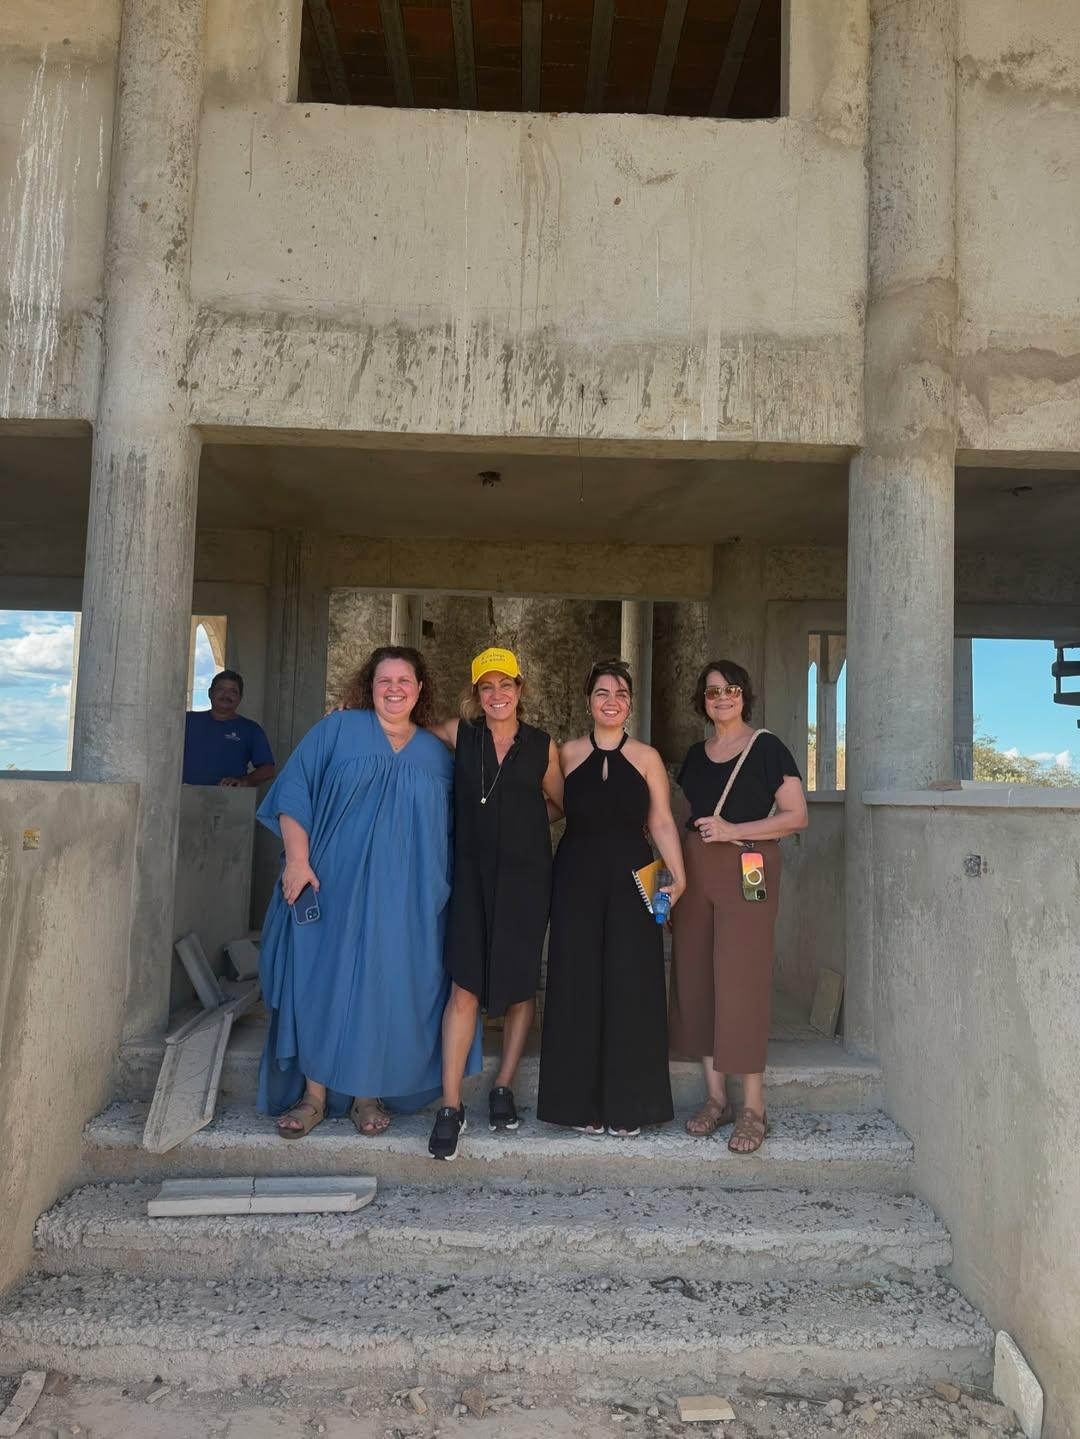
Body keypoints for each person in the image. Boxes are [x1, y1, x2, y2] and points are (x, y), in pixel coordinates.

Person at [255, 645, 479, 1138]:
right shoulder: (337, 729)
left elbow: (456, 828)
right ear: (369, 685)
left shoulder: (436, 755)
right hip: (331, 883)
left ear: (420, 690)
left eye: (404, 681)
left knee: (386, 985)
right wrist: (297, 859)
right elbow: (295, 790)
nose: (394, 689)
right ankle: (313, 1096)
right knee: (320, 980)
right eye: (385, 681)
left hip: (407, 899)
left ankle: (366, 1095)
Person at [537, 658, 684, 1138]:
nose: (612, 701)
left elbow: (660, 819)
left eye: (621, 694)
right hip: (575, 877)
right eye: (602, 692)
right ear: (588, 701)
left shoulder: (647, 757)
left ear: (630, 704)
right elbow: (552, 809)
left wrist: (677, 876)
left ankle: (631, 1106)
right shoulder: (565, 754)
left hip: (633, 878)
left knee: (632, 984)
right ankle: (578, 1104)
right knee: (575, 984)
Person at [427, 647, 564, 1161]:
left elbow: (558, 804)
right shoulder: (458, 734)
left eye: (506, 685)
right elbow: (398, 728)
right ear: (476, 694)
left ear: (520, 690)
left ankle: (503, 1084)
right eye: (487, 686)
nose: (497, 694)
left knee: (519, 982)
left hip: (528, 878)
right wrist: (346, 719)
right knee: (464, 984)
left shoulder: (543, 747)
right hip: (469, 877)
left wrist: (521, 828)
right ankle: (450, 1104)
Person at [668, 659, 808, 1154]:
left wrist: (733, 831)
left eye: (730, 690)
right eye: (711, 692)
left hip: (748, 868)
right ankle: (715, 1098)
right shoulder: (694, 753)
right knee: (696, 976)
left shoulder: (767, 747)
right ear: (701, 702)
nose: (721, 698)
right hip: (695, 872)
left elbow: (797, 816)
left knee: (742, 981)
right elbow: (681, 819)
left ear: (744, 695)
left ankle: (753, 1107)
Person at [182, 669, 276, 788]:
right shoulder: (186, 720)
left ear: (240, 697)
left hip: (230, 800)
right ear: (210, 693)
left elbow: (268, 769)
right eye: (221, 690)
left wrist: (244, 781)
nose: (226, 695)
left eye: (233, 691)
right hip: (183, 797)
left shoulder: (251, 729)